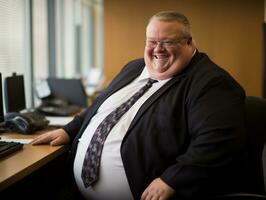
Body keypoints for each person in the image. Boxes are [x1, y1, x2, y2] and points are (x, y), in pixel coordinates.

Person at [32, 11, 246, 200]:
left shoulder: (210, 82)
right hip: (76, 188)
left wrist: (172, 180)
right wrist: (69, 130)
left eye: (168, 42)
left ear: (189, 42)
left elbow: (217, 140)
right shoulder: (134, 68)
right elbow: (100, 107)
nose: (158, 50)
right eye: (152, 41)